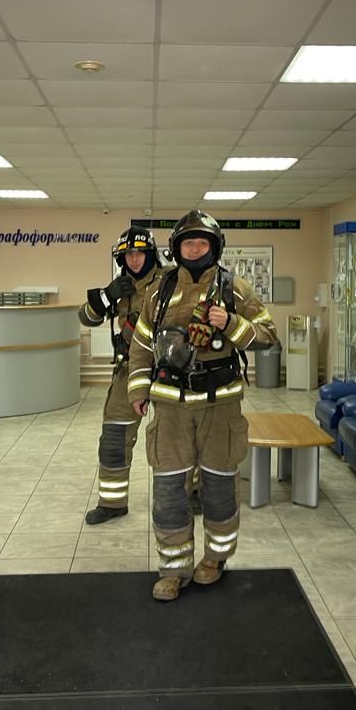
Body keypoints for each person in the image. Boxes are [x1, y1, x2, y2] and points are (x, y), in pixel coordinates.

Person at [127, 210, 278, 601]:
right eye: (188, 243)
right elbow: (141, 345)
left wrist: (230, 323)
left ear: (214, 247)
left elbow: (267, 336)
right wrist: (138, 391)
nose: (194, 249)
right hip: (170, 409)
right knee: (168, 491)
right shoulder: (158, 292)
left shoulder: (235, 289)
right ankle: (173, 569)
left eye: (201, 243)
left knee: (218, 487)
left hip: (219, 407)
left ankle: (215, 559)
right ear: (177, 249)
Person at [79, 226, 162, 525]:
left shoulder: (170, 282)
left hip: (167, 370)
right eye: (128, 254)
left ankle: (189, 495)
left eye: (140, 253)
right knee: (114, 436)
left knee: (175, 438)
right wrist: (107, 296)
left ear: (150, 254)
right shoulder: (121, 285)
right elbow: (85, 317)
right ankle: (112, 503)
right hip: (128, 369)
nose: (134, 259)